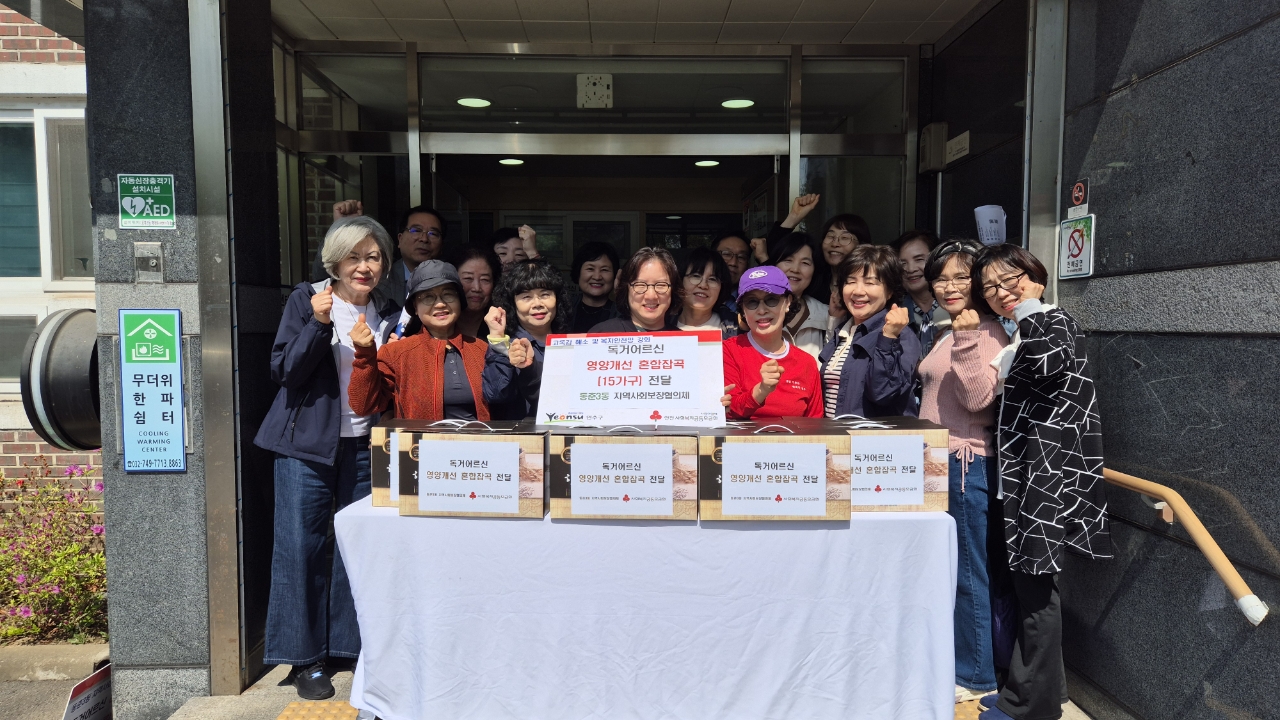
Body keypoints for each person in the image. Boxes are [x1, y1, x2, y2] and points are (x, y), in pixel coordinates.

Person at [253, 216, 400, 701]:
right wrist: (318, 324)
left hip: (364, 446)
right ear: (334, 260)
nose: (364, 266)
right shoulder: (308, 299)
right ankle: (305, 659)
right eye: (354, 257)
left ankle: (345, 648)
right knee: (302, 548)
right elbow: (284, 371)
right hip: (306, 447)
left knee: (353, 547)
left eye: (373, 256)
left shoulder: (390, 310)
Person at [971, 244, 1110, 720]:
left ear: (1037, 277)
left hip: (1046, 480)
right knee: (1031, 589)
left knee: (1036, 594)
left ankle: (1032, 705)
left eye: (1012, 280)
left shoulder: (1053, 322)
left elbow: (1049, 364)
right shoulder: (1029, 330)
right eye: (990, 287)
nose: (1002, 292)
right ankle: (1028, 692)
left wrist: (1025, 308)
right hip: (1029, 479)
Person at [915, 239, 1009, 705]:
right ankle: (960, 662)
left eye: (959, 276)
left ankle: (976, 676)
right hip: (937, 461)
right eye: (940, 277)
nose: (948, 286)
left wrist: (969, 338)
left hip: (965, 462)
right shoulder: (946, 328)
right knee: (950, 567)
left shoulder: (987, 331)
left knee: (968, 570)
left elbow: (979, 401)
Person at [348, 260, 491, 422]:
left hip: (477, 446)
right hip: (419, 447)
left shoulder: (481, 349)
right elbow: (363, 405)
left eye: (448, 294)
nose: (440, 304)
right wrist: (364, 354)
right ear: (414, 307)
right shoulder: (396, 353)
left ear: (460, 300)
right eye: (428, 297)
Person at [818, 245, 921, 419]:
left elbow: (883, 393)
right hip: (839, 441)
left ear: (889, 292)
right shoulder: (844, 332)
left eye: (870, 282)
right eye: (850, 281)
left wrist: (888, 338)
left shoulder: (901, 335)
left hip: (874, 443)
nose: (858, 291)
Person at [722, 266, 823, 420]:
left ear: (787, 302)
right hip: (740, 443)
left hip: (794, 443)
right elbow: (727, 410)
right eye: (751, 302)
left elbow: (815, 423)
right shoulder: (728, 350)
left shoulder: (806, 363)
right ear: (742, 308)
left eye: (771, 300)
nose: (762, 310)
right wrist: (761, 390)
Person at [483, 258, 568, 420]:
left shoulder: (570, 343)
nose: (537, 304)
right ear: (512, 304)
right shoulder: (507, 344)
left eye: (545, 294)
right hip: (521, 440)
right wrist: (499, 344)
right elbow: (495, 394)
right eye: (526, 297)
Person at [764, 231, 829, 360]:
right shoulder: (756, 312)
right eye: (788, 260)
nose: (795, 269)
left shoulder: (826, 315)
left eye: (805, 263)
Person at [589, 247, 683, 333]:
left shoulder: (685, 342)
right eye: (640, 285)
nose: (651, 296)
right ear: (626, 288)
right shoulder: (602, 334)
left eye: (661, 285)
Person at [380, 205, 446, 302]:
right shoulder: (380, 281)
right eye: (416, 230)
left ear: (442, 245)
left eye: (433, 233)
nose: (424, 239)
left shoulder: (450, 282)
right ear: (400, 239)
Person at [892, 230, 942, 354]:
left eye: (919, 259)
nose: (910, 269)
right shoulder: (894, 313)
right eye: (902, 263)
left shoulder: (956, 306)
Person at [675, 246, 737, 339]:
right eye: (696, 276)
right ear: (680, 280)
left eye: (712, 279)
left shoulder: (737, 328)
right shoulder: (661, 324)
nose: (703, 285)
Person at [445, 244, 502, 339]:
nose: (476, 288)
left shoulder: (504, 326)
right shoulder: (437, 325)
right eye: (468, 278)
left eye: (485, 280)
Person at [567, 241, 621, 333]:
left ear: (615, 276)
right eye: (590, 269)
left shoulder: (622, 314)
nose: (597, 277)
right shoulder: (563, 308)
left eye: (604, 270)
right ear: (578, 272)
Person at [712, 231, 754, 312]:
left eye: (741, 257)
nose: (733, 263)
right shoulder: (696, 295)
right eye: (726, 254)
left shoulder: (750, 299)